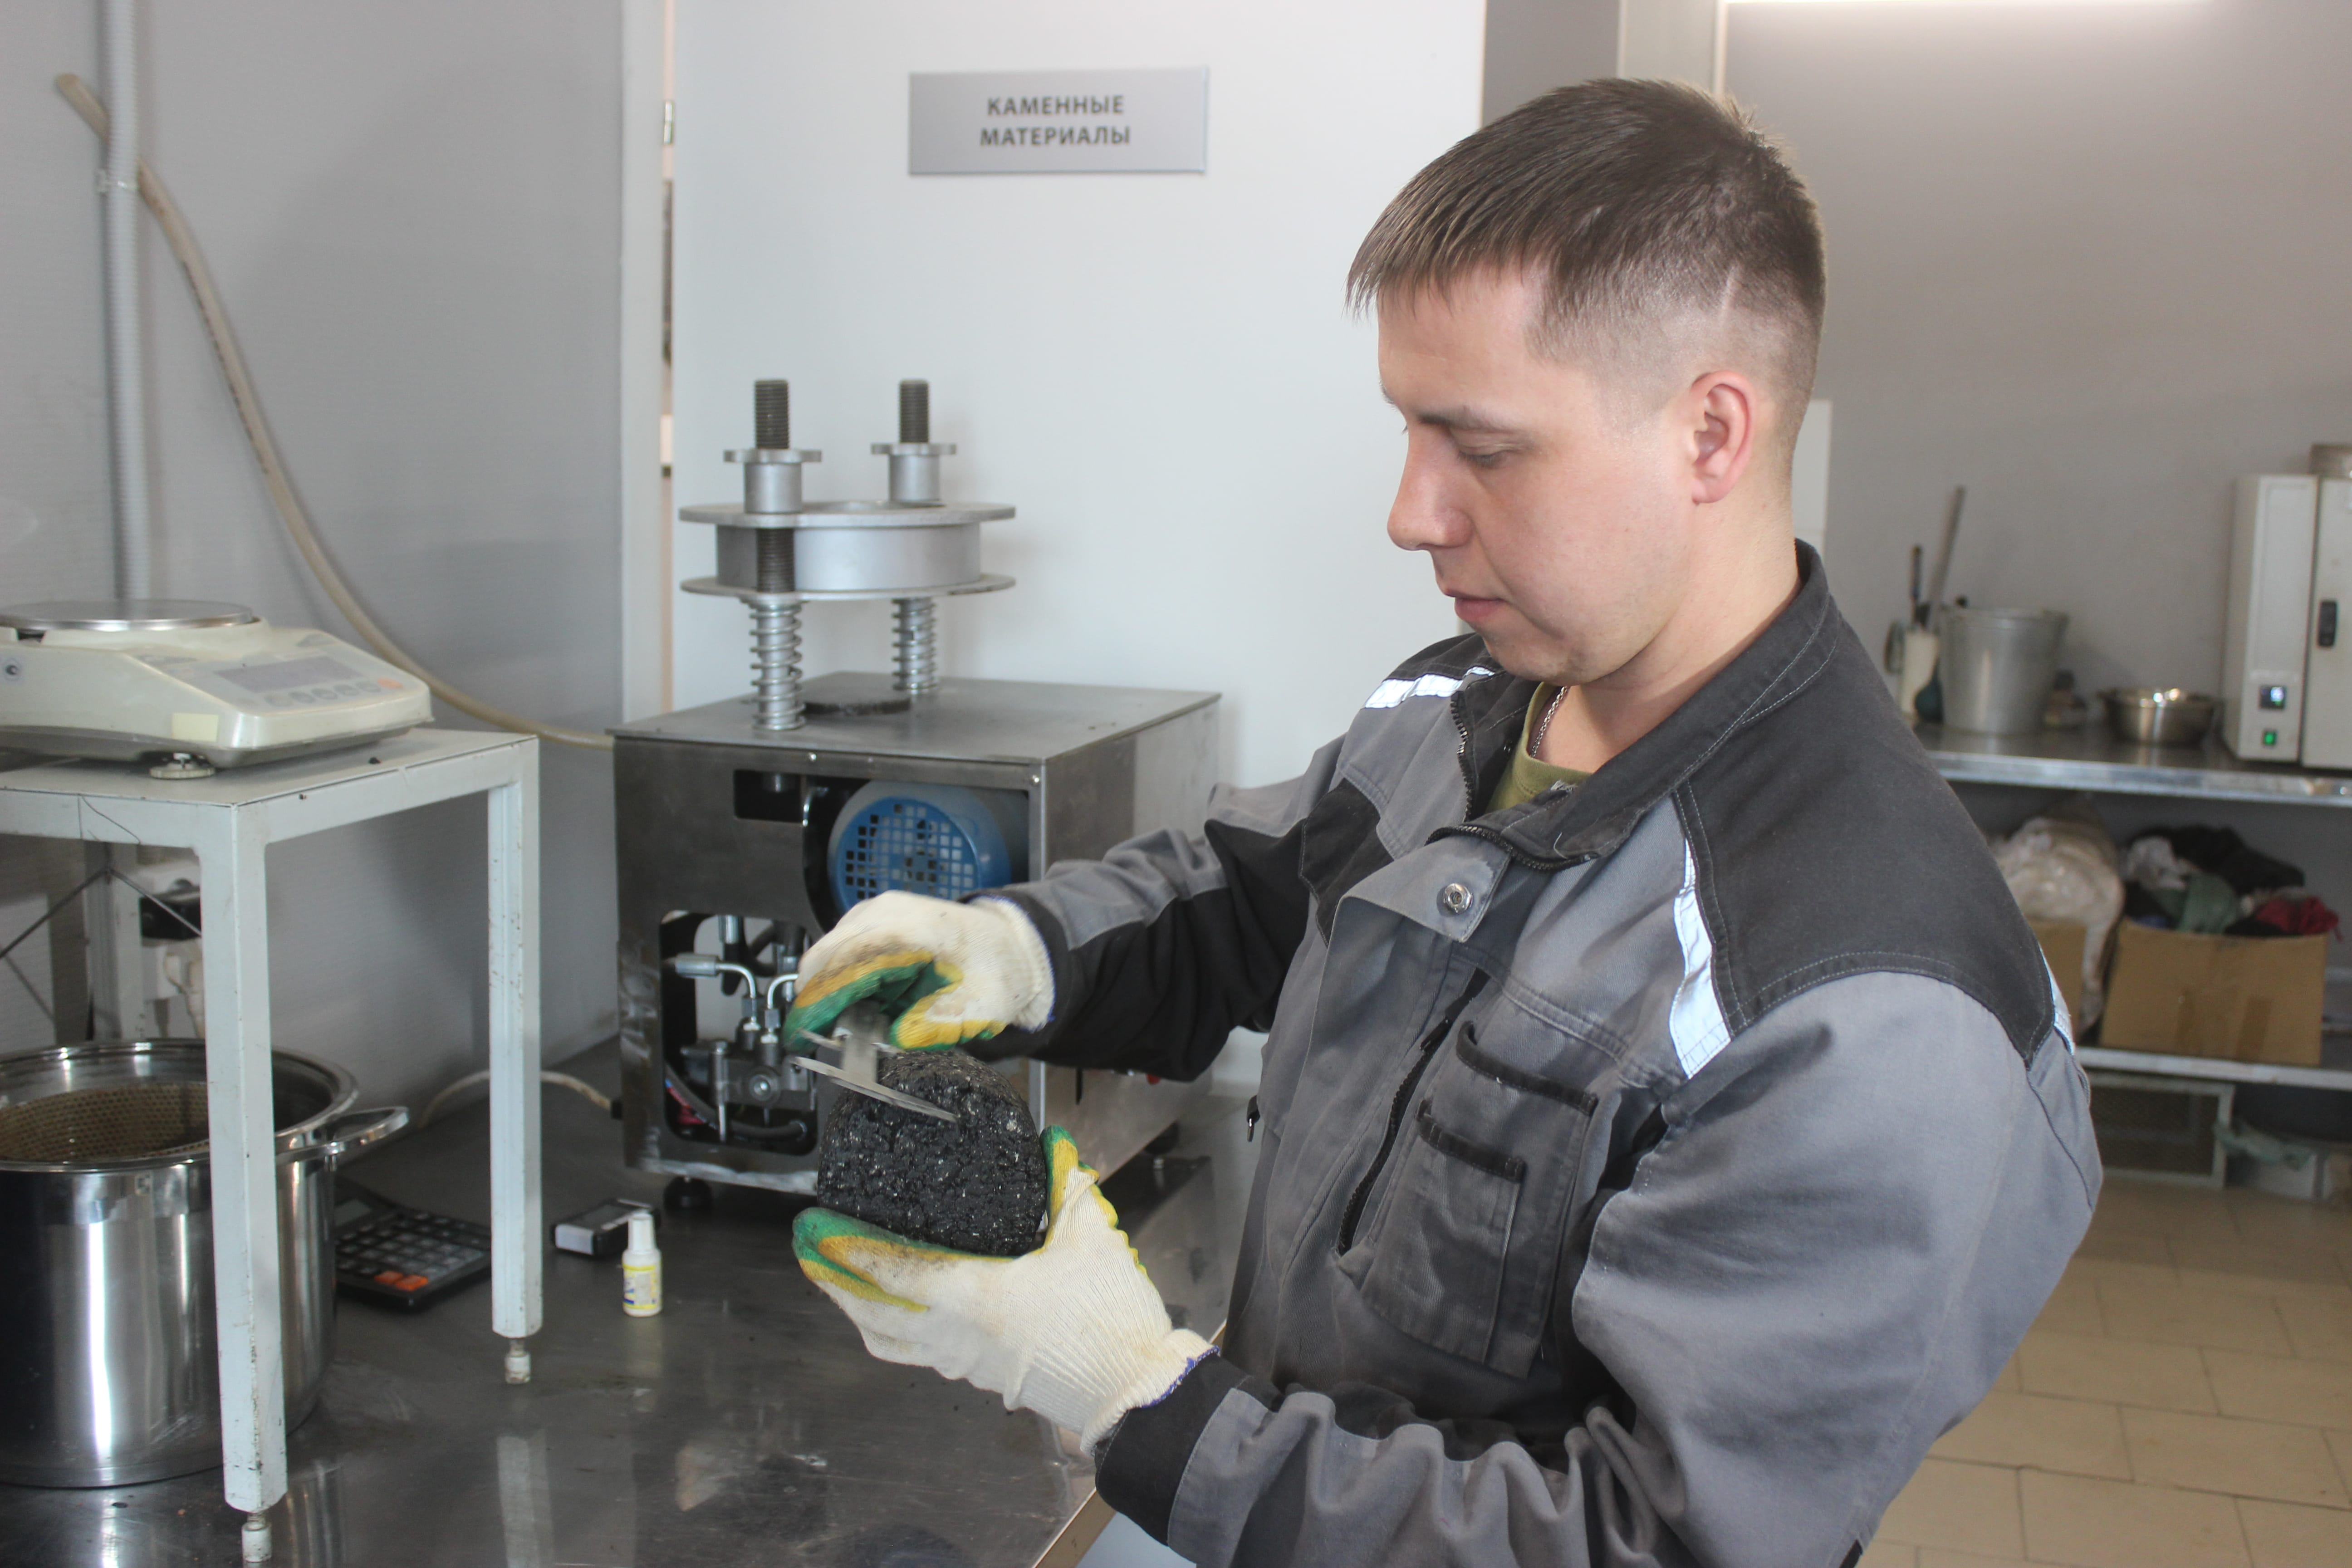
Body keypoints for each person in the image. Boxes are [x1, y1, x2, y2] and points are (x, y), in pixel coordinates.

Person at [786, 80, 2098, 1568]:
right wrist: (1022, 950)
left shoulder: (1865, 996)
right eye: (1411, 430)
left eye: (1484, 447)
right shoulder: (1464, 699)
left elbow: (1647, 1543)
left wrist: (1133, 1400)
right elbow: (1251, 892)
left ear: (1710, 434)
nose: (1412, 513)